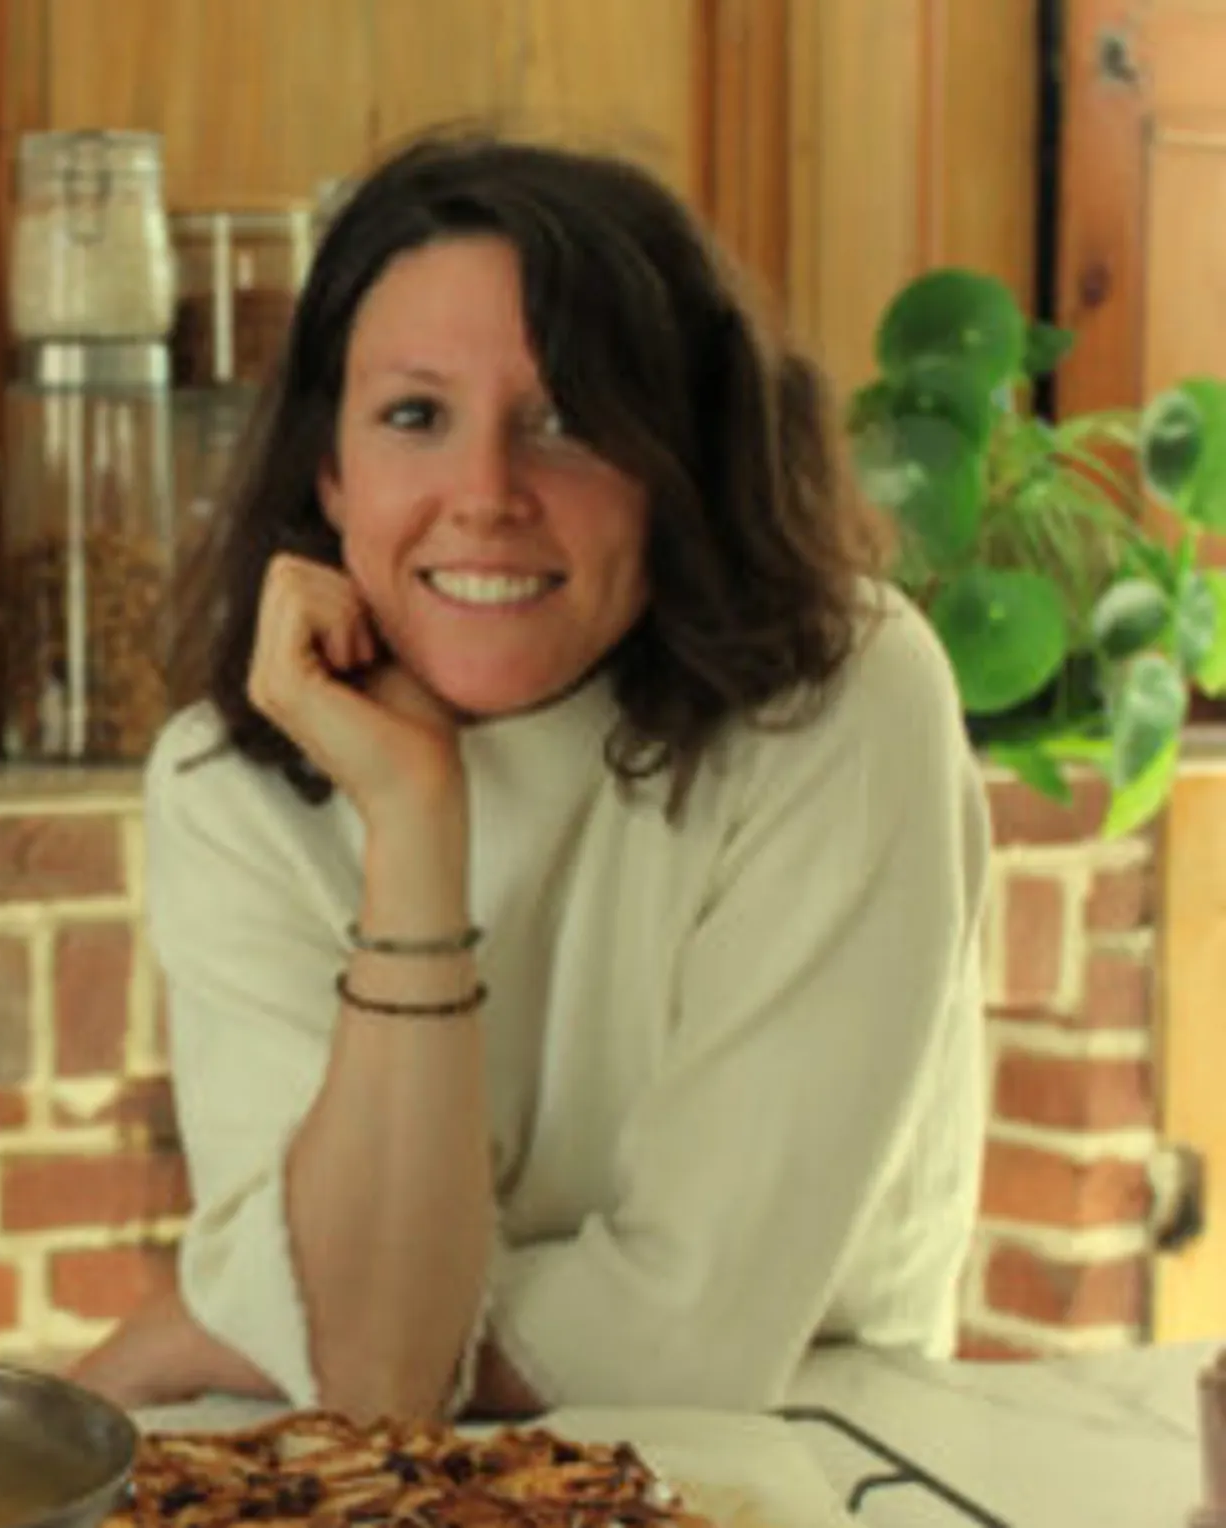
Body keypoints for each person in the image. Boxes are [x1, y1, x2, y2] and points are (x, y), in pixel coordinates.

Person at [67, 132, 990, 1423]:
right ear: (330, 470)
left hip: (798, 1462)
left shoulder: (848, 703)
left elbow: (683, 1353)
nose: (485, 492)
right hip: (402, 1475)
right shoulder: (225, 780)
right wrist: (412, 817)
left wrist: (226, 1322)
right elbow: (376, 1378)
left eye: (565, 421)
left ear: (681, 463)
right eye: (413, 417)